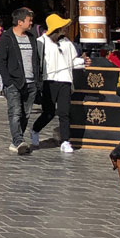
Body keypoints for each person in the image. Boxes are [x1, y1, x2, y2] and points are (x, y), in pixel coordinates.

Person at [33, 14, 83, 152]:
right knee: (48, 112)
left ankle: (65, 141)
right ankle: (35, 130)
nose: (65, 30)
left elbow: (73, 61)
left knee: (64, 112)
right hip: (49, 81)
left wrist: (83, 61)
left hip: (65, 80)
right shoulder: (41, 42)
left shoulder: (67, 43)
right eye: (63, 28)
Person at [0, 7, 42, 154]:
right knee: (15, 112)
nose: (31, 23)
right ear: (20, 22)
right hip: (14, 83)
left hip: (31, 83)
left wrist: (38, 80)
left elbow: (36, 60)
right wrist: (8, 81)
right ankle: (18, 141)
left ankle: (17, 139)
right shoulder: (7, 38)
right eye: (29, 20)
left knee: (26, 113)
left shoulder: (31, 38)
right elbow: (1, 61)